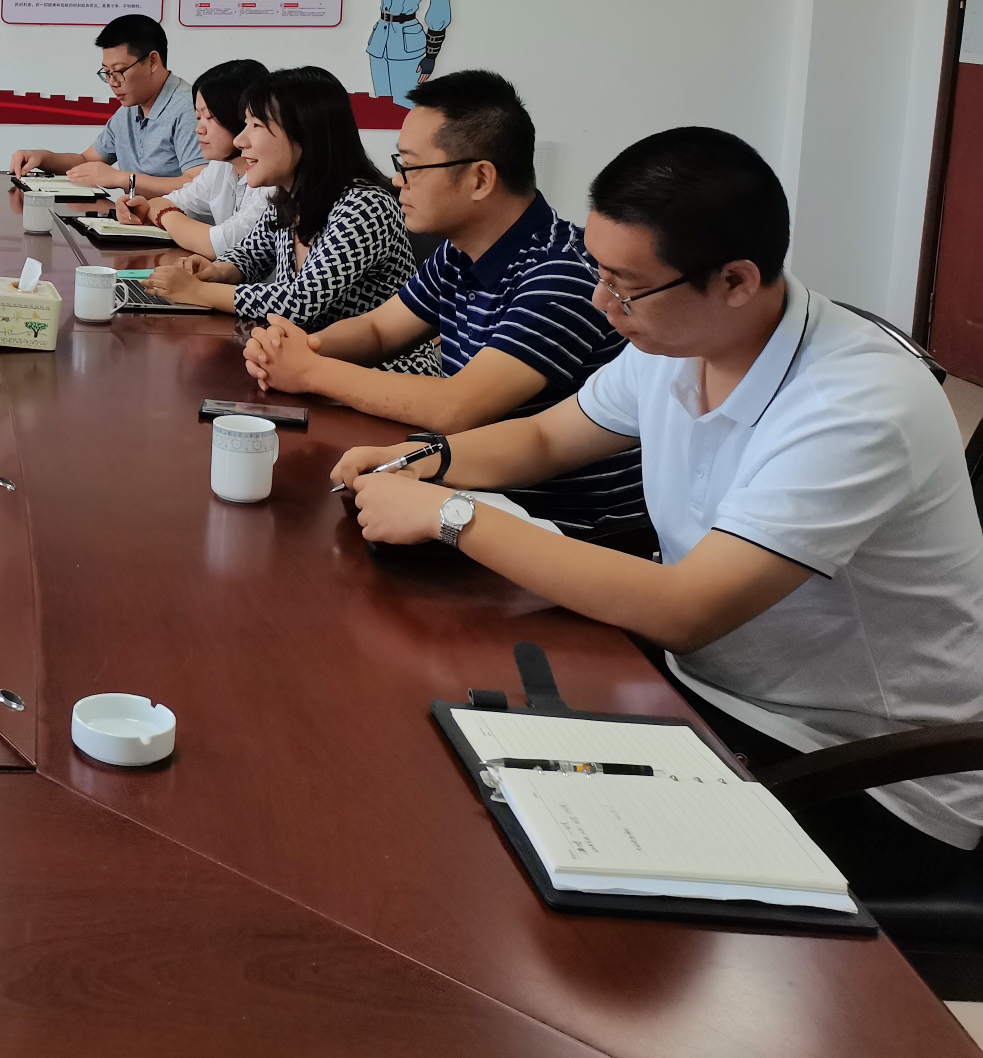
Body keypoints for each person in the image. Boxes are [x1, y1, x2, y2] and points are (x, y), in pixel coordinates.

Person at [337, 127, 983, 896]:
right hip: (711, 692)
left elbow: (686, 609)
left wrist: (453, 516)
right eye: (599, 272)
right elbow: (547, 437)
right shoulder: (678, 343)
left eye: (626, 286)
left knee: (501, 850)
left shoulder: (857, 405)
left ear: (735, 281)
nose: (601, 303)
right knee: (442, 725)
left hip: (860, 775)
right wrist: (422, 459)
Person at [240, 71, 650, 552]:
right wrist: (297, 348)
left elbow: (457, 406)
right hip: (476, 490)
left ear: (480, 178)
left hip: (563, 529)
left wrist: (309, 370)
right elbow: (378, 329)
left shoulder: (561, 272)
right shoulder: (460, 252)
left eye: (411, 166)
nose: (397, 180)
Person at [144, 66, 427, 368]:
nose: (240, 140)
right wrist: (216, 271)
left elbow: (300, 302)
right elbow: (250, 255)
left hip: (380, 376)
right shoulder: (289, 197)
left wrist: (199, 291)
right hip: (304, 367)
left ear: (303, 133)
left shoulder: (364, 206)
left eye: (256, 125)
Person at [8, 13, 203, 196]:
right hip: (137, 216)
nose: (112, 82)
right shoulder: (127, 112)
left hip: (178, 220)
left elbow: (197, 185)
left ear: (152, 61)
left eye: (119, 71)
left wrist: (122, 179)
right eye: (107, 73)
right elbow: (86, 161)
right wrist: (42, 158)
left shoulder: (190, 109)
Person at [113, 59, 271, 259]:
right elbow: (165, 202)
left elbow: (219, 245)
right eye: (198, 118)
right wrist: (145, 209)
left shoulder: (273, 181)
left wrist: (164, 214)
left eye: (210, 117)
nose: (199, 129)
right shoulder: (220, 167)